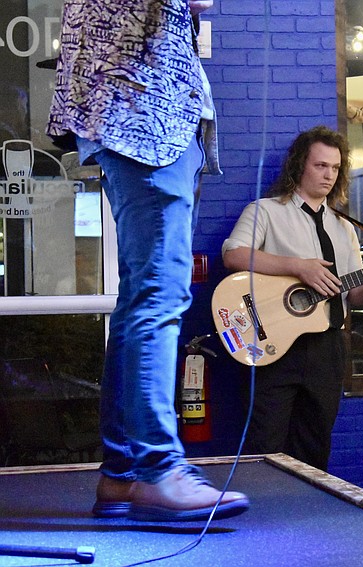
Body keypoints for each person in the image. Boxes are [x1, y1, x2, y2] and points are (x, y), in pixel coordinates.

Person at [46, 0, 249, 522]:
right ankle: (158, 470)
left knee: (143, 295)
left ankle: (123, 474)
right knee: (159, 294)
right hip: (145, 117)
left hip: (139, 115)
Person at [222, 126, 363, 471]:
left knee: (315, 449)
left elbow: (352, 294)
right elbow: (233, 255)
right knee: (264, 446)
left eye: (335, 168)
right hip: (274, 346)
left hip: (327, 349)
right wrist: (297, 267)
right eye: (320, 165)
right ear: (300, 164)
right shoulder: (266, 211)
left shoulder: (344, 227)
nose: (329, 175)